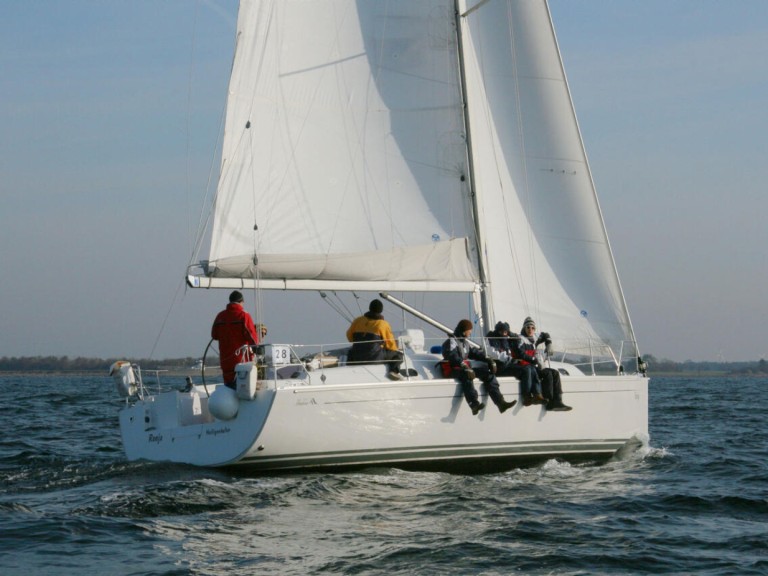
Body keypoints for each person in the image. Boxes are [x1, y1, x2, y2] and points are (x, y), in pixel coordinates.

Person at [442, 319, 517, 416]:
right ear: (464, 331)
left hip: (464, 368)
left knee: (488, 374)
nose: (471, 332)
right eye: (469, 330)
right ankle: (474, 404)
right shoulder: (452, 342)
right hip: (454, 369)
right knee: (468, 376)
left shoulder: (464, 342)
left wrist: (488, 360)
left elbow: (474, 353)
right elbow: (452, 355)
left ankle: (500, 403)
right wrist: (463, 365)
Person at [516, 317, 572, 411]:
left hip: (535, 365)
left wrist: (549, 343)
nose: (530, 330)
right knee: (547, 374)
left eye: (533, 328)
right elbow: (520, 353)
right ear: (524, 328)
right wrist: (533, 359)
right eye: (528, 327)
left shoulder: (534, 338)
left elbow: (545, 335)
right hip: (527, 366)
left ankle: (558, 400)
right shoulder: (520, 339)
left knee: (555, 373)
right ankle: (549, 401)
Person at [486, 320, 545, 407]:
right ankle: (526, 396)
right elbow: (493, 352)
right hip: (500, 368)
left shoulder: (506, 339)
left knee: (531, 367)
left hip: (508, 365)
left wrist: (514, 337)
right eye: (503, 331)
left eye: (506, 332)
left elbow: (517, 343)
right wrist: (508, 358)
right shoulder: (491, 339)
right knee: (526, 369)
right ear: (498, 331)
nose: (504, 334)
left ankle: (537, 394)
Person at [211, 290, 260, 389]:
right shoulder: (244, 315)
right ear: (242, 302)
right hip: (241, 360)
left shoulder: (220, 316)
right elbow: (252, 338)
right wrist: (257, 350)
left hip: (225, 360)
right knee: (242, 387)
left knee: (229, 386)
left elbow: (214, 335)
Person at [346, 299, 404, 380]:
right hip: (374, 357)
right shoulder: (382, 324)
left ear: (369, 308)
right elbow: (391, 345)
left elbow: (349, 337)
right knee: (398, 355)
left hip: (356, 357)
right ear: (381, 310)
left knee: (350, 351)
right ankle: (393, 371)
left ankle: (347, 370)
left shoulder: (358, 320)